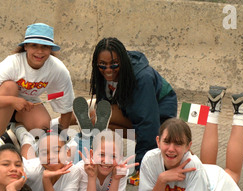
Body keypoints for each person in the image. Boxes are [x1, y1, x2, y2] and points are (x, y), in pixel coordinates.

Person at [127, 89, 243, 191]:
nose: (170, 148)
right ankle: (213, 109)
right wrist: (162, 179)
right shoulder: (150, 158)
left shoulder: (195, 166)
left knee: (232, 173)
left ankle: (239, 113)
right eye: (166, 142)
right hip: (202, 170)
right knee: (205, 165)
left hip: (217, 181)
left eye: (178, 143)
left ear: (188, 146)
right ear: (158, 142)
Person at [73, 37, 177, 171]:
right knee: (95, 118)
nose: (108, 69)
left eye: (114, 64)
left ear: (123, 61)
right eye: (102, 65)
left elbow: (147, 123)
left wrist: (142, 166)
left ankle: (174, 145)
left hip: (159, 116)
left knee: (99, 118)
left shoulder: (142, 78)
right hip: (131, 110)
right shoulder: (102, 73)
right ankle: (103, 156)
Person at [0, 22, 75, 158]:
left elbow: (66, 107)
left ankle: (16, 132)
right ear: (25, 46)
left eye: (45, 47)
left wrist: (61, 140)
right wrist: (12, 101)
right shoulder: (13, 63)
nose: (39, 52)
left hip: (26, 106)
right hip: (1, 104)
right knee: (9, 87)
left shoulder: (57, 69)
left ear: (51, 49)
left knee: (41, 126)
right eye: (34, 45)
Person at [74, 130, 138, 191]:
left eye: (113, 156)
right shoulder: (82, 169)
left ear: (121, 157)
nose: (107, 161)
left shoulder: (121, 170)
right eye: (102, 154)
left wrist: (116, 179)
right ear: (92, 154)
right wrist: (91, 177)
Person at [24, 126, 80, 191]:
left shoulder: (73, 172)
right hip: (30, 163)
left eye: (57, 151)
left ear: (67, 153)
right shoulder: (31, 169)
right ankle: (25, 137)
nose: (51, 157)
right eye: (45, 153)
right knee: (26, 157)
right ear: (39, 156)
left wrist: (46, 180)